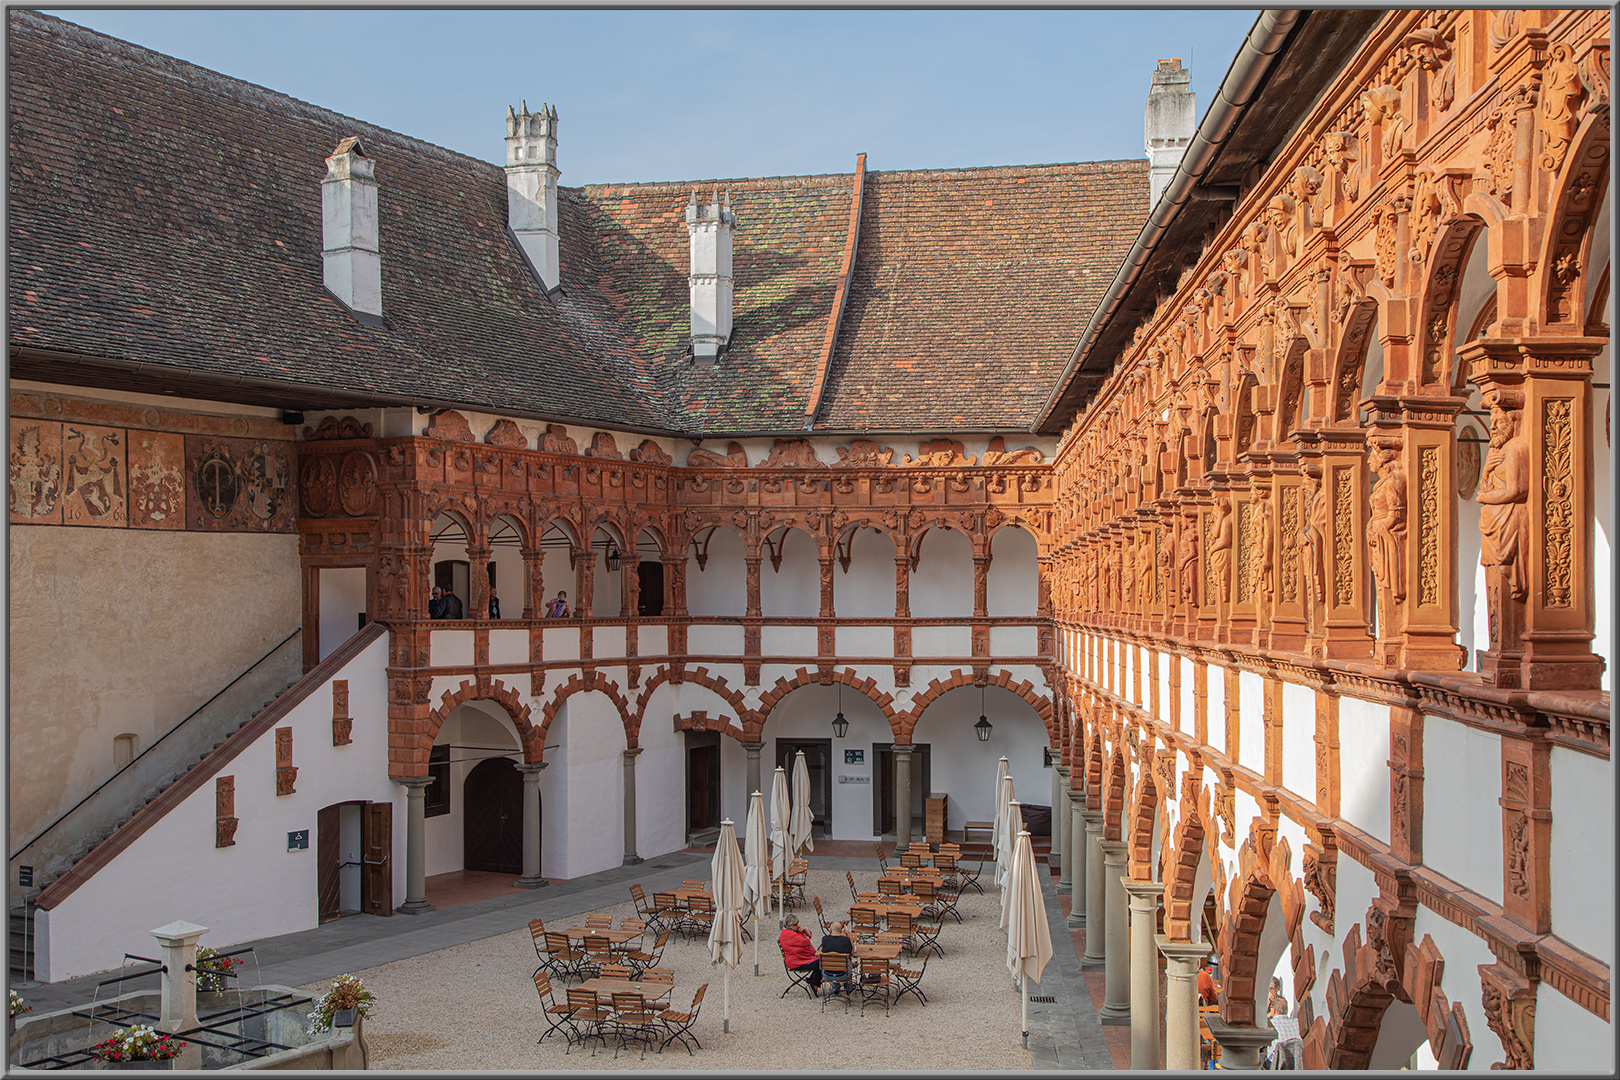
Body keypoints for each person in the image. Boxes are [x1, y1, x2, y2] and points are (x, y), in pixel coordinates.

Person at [778, 913, 822, 993]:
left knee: (822, 961)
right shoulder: (789, 935)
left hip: (798, 959)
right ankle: (814, 982)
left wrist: (805, 930)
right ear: (789, 925)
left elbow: (808, 936)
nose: (798, 925)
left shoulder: (789, 932)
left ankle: (813, 981)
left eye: (798, 922)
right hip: (797, 962)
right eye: (795, 924)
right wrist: (805, 932)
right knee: (821, 963)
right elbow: (806, 942)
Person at [818, 919, 854, 996]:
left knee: (831, 960)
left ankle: (836, 988)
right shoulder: (845, 940)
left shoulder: (824, 939)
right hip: (843, 975)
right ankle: (849, 988)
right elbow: (852, 952)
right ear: (842, 931)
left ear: (830, 930)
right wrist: (848, 935)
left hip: (827, 974)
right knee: (848, 959)